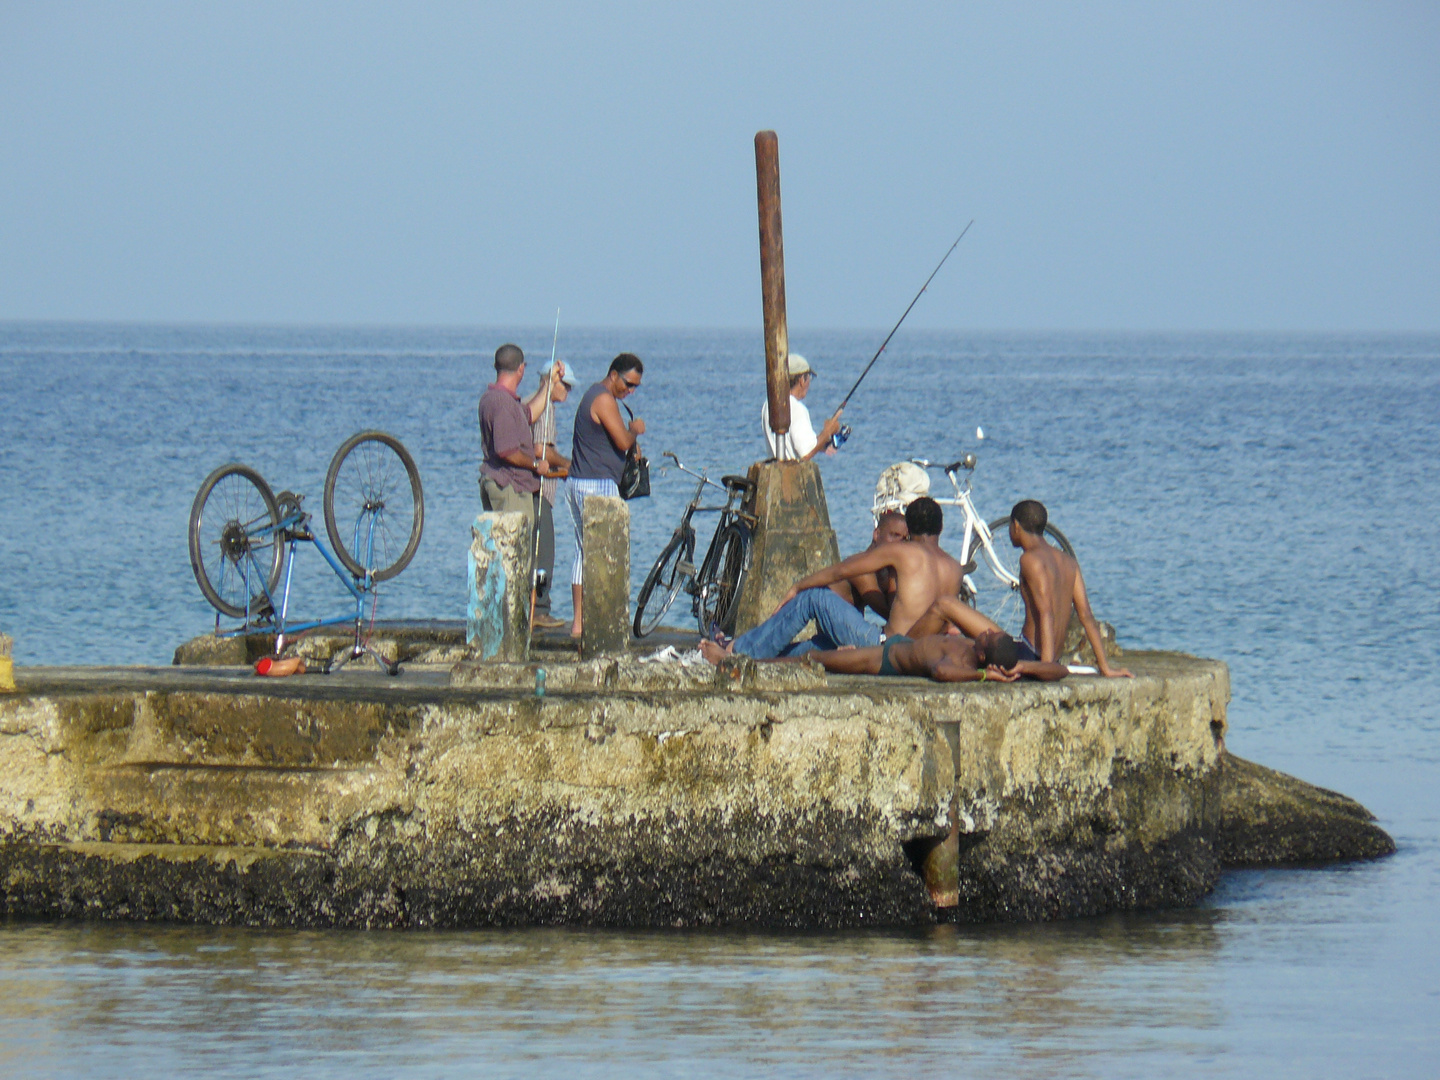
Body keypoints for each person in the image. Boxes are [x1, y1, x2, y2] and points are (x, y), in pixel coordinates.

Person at [699, 496, 966, 662]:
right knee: (821, 646)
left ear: (909, 528)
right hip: (919, 653)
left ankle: (737, 652)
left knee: (813, 598)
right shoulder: (955, 569)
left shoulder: (903, 552)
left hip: (885, 646)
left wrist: (798, 586)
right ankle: (755, 653)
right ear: (941, 528)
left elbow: (843, 569)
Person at [1007, 499, 1132, 678]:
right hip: (1053, 657)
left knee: (978, 645)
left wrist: (1046, 667)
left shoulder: (1029, 560)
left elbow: (1046, 613)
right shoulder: (1068, 562)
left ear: (1016, 526)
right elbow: (1086, 616)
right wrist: (1105, 667)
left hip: (1032, 653)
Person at [567, 353, 645, 638]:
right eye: (628, 383)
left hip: (578, 481)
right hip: (596, 484)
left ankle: (579, 623)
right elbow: (623, 440)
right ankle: (598, 620)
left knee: (582, 553)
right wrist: (634, 430)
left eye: (635, 386)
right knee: (604, 553)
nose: (631, 391)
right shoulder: (602, 399)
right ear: (614, 375)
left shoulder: (592, 394)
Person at [798, 631, 1068, 684]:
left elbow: (941, 672)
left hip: (886, 659)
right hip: (905, 641)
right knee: (819, 655)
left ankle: (760, 664)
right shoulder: (978, 651)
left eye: (987, 637)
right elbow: (1062, 671)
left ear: (983, 654)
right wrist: (1024, 665)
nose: (984, 631)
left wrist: (984, 675)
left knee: (815, 659)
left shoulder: (965, 665)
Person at [479, 344, 556, 528]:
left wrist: (549, 384)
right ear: (521, 368)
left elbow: (529, 414)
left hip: (500, 482)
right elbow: (507, 451)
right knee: (514, 551)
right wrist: (536, 464)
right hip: (509, 487)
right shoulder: (502, 403)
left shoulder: (495, 398)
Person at [523, 359, 575, 630]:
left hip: (529, 488)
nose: (568, 390)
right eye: (565, 385)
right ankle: (539, 609)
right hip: (538, 490)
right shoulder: (545, 408)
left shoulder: (529, 401)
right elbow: (541, 450)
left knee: (531, 551)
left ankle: (530, 607)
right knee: (543, 553)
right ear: (551, 381)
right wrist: (568, 464)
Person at [760, 355, 844, 461]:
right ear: (802, 380)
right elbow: (806, 452)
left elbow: (794, 444)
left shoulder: (768, 404)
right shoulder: (797, 409)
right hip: (791, 475)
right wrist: (828, 431)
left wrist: (823, 444)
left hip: (774, 472)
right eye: (809, 378)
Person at [830, 510, 908, 620]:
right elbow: (890, 616)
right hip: (834, 623)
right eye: (894, 535)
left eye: (905, 539)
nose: (899, 543)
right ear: (877, 534)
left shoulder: (883, 569)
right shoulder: (862, 569)